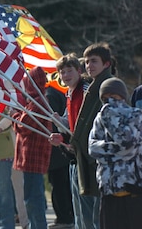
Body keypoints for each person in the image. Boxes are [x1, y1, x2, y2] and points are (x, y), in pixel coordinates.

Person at [88, 77, 142, 229]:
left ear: (122, 96)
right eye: (105, 98)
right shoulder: (100, 118)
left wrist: (110, 115)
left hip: (134, 189)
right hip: (109, 189)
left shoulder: (135, 115)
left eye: (113, 96)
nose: (109, 101)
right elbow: (92, 148)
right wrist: (117, 151)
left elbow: (129, 144)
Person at [70, 42, 115, 229]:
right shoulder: (93, 86)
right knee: (86, 215)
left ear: (106, 64)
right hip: (86, 158)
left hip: (100, 160)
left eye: (94, 61)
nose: (89, 66)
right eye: (87, 62)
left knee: (99, 216)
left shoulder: (108, 86)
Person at [50, 53, 90, 229]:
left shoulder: (87, 90)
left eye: (69, 71)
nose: (65, 75)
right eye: (62, 72)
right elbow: (69, 124)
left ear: (79, 71)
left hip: (87, 157)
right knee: (78, 207)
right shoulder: (69, 93)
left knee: (89, 209)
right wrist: (59, 123)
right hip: (73, 155)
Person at [12, 66, 52, 229]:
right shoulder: (33, 103)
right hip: (28, 158)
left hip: (33, 158)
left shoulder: (38, 103)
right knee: (31, 197)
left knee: (33, 199)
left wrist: (14, 114)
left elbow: (23, 125)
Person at [46, 86, 74, 229]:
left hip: (57, 149)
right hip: (61, 147)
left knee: (59, 185)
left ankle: (65, 217)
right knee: (62, 185)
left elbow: (52, 123)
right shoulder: (58, 93)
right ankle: (66, 216)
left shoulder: (50, 95)